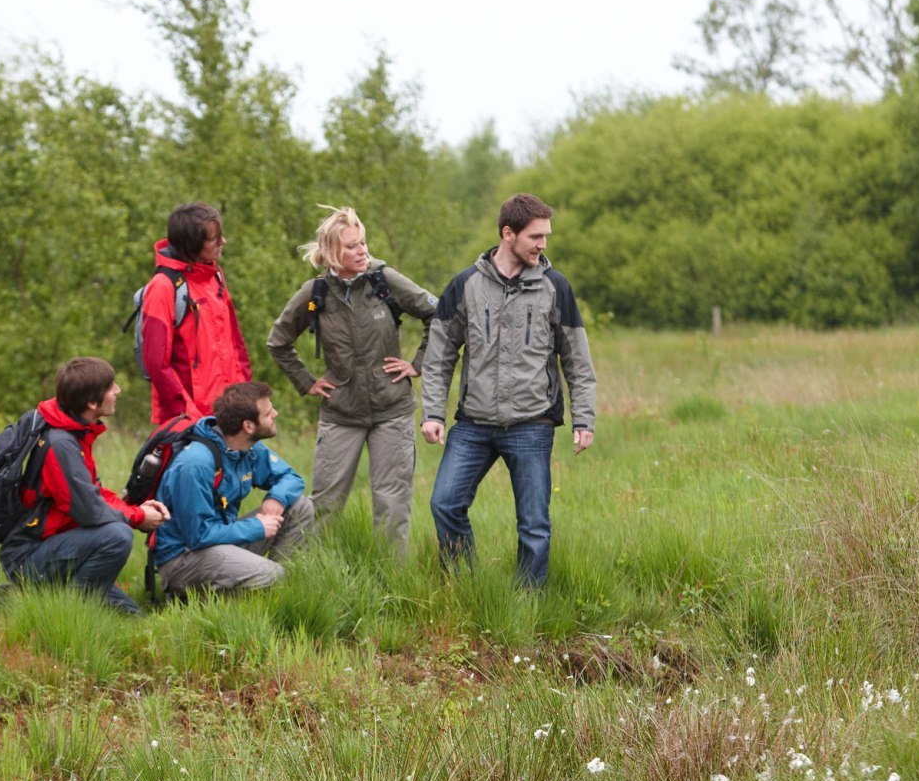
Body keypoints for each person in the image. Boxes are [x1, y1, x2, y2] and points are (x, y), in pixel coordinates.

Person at [418, 193, 598, 589]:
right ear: (507, 233)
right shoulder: (464, 285)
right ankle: (464, 587)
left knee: (534, 525)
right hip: (474, 424)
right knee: (445, 503)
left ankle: (526, 605)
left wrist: (584, 419)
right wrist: (432, 412)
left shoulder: (556, 287)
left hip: (532, 424)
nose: (543, 244)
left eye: (546, 236)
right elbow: (438, 355)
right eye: (535, 236)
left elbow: (577, 362)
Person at [266, 206, 437, 549]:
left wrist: (417, 363)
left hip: (392, 408)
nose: (363, 251)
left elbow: (439, 314)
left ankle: (391, 582)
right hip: (341, 413)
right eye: (352, 246)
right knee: (325, 505)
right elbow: (278, 343)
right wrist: (307, 381)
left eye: (363, 243)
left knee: (391, 503)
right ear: (332, 252)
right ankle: (317, 577)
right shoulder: (315, 293)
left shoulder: (384, 279)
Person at [0, 357, 171, 613]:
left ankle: (35, 594)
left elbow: (93, 493)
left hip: (57, 545)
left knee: (132, 617)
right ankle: (66, 612)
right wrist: (137, 517)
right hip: (29, 555)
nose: (118, 391)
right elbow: (89, 511)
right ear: (92, 402)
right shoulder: (61, 445)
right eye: (111, 387)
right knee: (117, 536)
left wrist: (136, 509)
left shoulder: (74, 435)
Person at [151, 381, 314, 594]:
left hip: (219, 543)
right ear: (248, 426)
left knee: (300, 506)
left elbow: (291, 477)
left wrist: (276, 498)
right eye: (268, 413)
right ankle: (207, 600)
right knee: (271, 575)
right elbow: (198, 536)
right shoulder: (196, 463)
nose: (276, 413)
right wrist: (258, 527)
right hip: (184, 560)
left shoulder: (247, 447)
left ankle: (283, 589)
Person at [139, 201, 253, 424]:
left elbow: (235, 343)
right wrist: (187, 415)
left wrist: (246, 396)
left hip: (230, 412)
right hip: (189, 419)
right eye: (214, 239)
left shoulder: (215, 276)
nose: (223, 242)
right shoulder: (163, 286)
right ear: (192, 245)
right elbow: (155, 362)